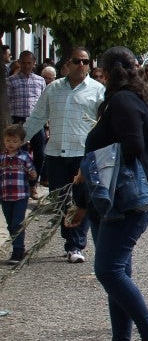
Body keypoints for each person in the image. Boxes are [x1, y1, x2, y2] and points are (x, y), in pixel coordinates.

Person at [70, 47, 148, 341]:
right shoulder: (123, 100)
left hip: (128, 200)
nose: (95, 75)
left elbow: (132, 147)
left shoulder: (125, 101)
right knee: (117, 275)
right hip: (111, 202)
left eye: (98, 71)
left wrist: (88, 168)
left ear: (110, 72)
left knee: (109, 271)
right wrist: (83, 201)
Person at [22, 46, 103, 262]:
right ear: (67, 63)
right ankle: (69, 237)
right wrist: (18, 140)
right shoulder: (53, 89)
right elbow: (38, 117)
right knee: (60, 201)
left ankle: (75, 245)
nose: (81, 65)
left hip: (82, 154)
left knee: (81, 200)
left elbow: (104, 124)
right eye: (77, 61)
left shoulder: (98, 90)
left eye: (85, 62)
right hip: (56, 153)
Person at [2, 124, 38, 264]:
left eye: (14, 141)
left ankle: (18, 250)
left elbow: (32, 173)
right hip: (5, 196)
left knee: (17, 223)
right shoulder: (2, 158)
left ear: (21, 142)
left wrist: (33, 174)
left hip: (21, 195)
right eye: (8, 140)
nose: (10, 144)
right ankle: (16, 246)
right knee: (10, 224)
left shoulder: (24, 157)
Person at [8, 50, 46, 177]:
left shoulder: (40, 81)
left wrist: (46, 124)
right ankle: (22, 181)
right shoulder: (11, 81)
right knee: (20, 153)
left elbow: (44, 102)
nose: (26, 66)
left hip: (36, 121)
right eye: (23, 63)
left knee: (40, 153)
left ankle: (34, 183)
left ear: (34, 63)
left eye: (29, 63)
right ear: (19, 63)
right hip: (18, 121)